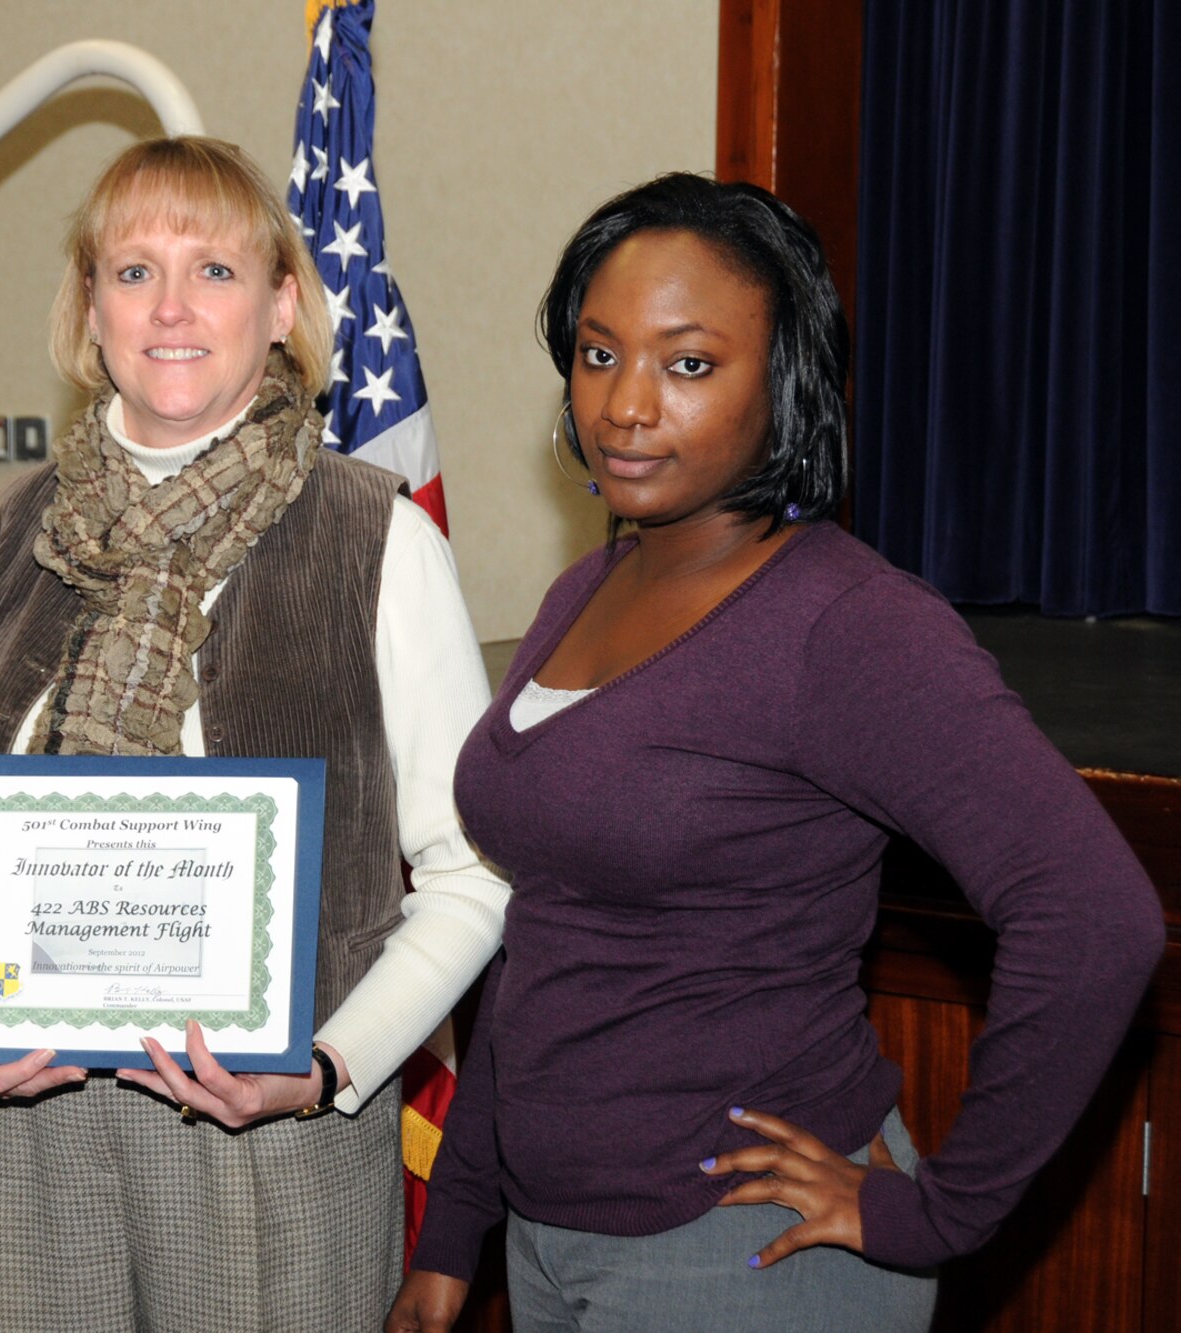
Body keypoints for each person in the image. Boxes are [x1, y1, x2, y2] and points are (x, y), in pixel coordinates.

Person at [387, 174, 1167, 1333]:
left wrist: (934, 1214)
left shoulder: (845, 624)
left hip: (737, 1261)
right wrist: (455, 1229)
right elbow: (548, 931)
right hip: (550, 1246)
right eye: (597, 355)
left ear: (784, 384)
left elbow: (1096, 916)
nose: (626, 406)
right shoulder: (585, 587)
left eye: (687, 363)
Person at [0, 136, 511, 1330]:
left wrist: (325, 1067)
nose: (170, 308)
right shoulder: (1, 534)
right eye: (132, 272)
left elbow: (473, 870)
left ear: (282, 304)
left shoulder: (375, 540)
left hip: (276, 1143)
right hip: (34, 1130)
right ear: (89, 306)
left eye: (214, 271)